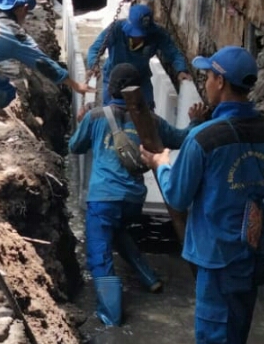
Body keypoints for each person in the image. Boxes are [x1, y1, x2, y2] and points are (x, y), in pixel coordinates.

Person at [142, 46, 264, 344]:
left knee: (214, 335)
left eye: (208, 76)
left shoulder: (204, 138)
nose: (206, 84)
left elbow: (177, 196)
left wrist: (161, 165)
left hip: (216, 259)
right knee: (237, 333)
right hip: (252, 256)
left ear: (221, 82)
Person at [70, 63, 205, 327]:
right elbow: (182, 139)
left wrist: (81, 121)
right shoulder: (150, 120)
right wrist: (196, 121)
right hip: (133, 200)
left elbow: (74, 146)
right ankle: (149, 278)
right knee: (117, 230)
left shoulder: (96, 116)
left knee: (98, 254)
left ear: (110, 87)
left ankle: (111, 317)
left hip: (103, 198)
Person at [86, 3, 191, 109]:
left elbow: (173, 52)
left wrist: (181, 69)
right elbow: (95, 48)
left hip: (141, 78)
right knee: (111, 112)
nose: (139, 38)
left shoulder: (157, 34)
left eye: (142, 35)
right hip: (114, 77)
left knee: (146, 111)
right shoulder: (116, 29)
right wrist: (93, 64)